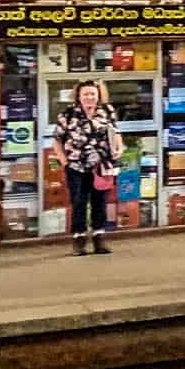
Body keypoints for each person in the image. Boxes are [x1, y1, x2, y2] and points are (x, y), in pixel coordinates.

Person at [53, 79, 120, 256]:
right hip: (76, 167)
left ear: (98, 96)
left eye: (93, 94)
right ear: (78, 96)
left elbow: (116, 133)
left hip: (101, 167)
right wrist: (65, 163)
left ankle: (99, 239)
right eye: (86, 94)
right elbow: (57, 141)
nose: (89, 97)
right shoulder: (67, 115)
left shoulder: (107, 112)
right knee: (79, 203)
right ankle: (79, 240)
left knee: (100, 203)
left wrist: (118, 149)